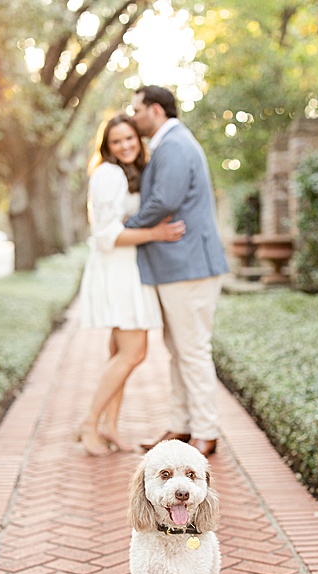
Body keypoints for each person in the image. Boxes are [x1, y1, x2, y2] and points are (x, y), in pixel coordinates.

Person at [124, 85, 229, 458]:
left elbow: (163, 201)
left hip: (189, 266)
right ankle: (182, 425)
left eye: (136, 110)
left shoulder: (175, 146)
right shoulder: (171, 144)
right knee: (178, 349)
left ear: (155, 110)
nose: (134, 118)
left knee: (192, 350)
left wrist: (127, 225)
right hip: (179, 266)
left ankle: (205, 431)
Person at [76, 114, 185, 457]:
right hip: (117, 270)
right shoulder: (108, 174)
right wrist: (155, 233)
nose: (124, 146)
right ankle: (89, 423)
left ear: (138, 140)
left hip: (129, 267)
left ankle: (109, 425)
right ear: (107, 147)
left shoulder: (129, 173)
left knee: (119, 352)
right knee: (133, 352)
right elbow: (106, 235)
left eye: (129, 139)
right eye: (116, 141)